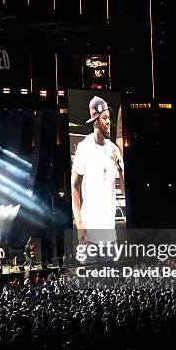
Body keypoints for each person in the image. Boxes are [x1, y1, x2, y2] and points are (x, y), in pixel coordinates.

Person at [71, 96, 125, 248]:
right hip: (88, 237)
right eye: (105, 118)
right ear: (95, 121)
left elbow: (124, 191)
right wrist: (79, 223)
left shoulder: (114, 149)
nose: (109, 122)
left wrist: (120, 169)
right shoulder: (84, 148)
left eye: (109, 118)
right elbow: (74, 186)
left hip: (110, 237)